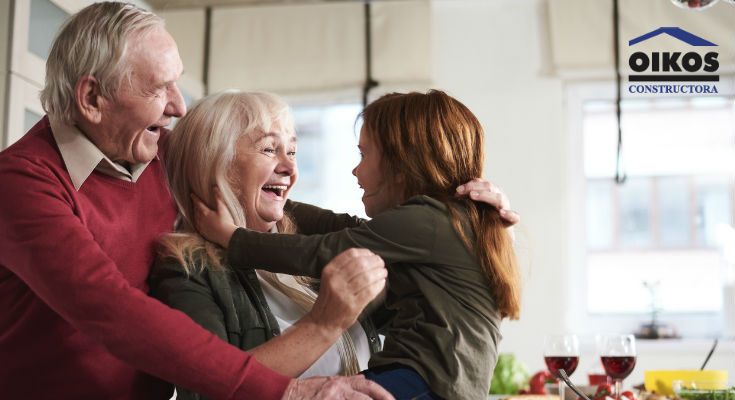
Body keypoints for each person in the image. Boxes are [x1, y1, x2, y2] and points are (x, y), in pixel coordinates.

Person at [0, 3, 392, 399]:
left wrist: (452, 200)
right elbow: (111, 311)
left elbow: (261, 201)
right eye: (158, 88)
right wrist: (289, 390)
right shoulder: (21, 183)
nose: (179, 106)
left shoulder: (158, 150)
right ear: (92, 97)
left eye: (177, 83)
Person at [150, 90, 519, 400]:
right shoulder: (188, 270)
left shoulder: (304, 244)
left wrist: (491, 229)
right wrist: (324, 323)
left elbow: (342, 233)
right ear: (215, 163)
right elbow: (206, 391)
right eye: (269, 150)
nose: (290, 168)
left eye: (292, 152)